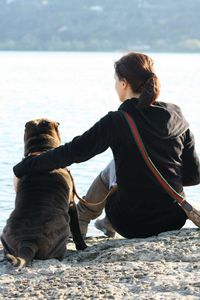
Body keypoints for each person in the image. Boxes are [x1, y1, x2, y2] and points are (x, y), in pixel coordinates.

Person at [13, 52, 200, 239]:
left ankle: (81, 220)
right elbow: (194, 175)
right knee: (126, 163)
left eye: (115, 80)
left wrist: (23, 167)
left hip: (130, 222)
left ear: (124, 83)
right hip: (173, 220)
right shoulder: (176, 115)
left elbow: (72, 152)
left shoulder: (117, 121)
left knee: (112, 168)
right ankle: (105, 222)